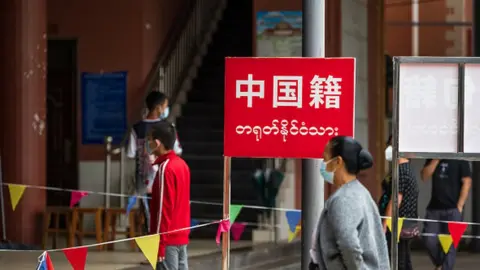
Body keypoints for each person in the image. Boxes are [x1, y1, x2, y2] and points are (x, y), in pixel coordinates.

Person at [309, 136, 389, 270]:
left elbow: (348, 244)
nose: (323, 163)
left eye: (325, 158)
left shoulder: (344, 198)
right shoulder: (360, 192)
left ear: (338, 161)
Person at [127, 91, 183, 235]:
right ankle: (162, 243)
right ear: (158, 107)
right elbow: (176, 150)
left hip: (143, 180)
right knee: (163, 213)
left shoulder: (136, 128)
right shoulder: (168, 127)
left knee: (147, 214)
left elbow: (131, 153)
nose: (166, 109)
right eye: (165, 106)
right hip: (165, 177)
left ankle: (149, 245)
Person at [146, 121, 190, 270]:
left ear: (157, 143)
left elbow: (163, 210)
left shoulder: (166, 168)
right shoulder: (182, 165)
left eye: (150, 139)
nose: (148, 143)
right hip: (181, 237)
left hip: (168, 240)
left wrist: (160, 243)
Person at [421, 158, 472, 270]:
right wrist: (435, 161)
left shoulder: (460, 159)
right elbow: (424, 176)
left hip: (453, 209)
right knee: (428, 239)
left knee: (451, 246)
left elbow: (467, 182)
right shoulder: (433, 156)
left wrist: (460, 206)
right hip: (434, 208)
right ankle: (440, 264)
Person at [379, 136, 418, 270]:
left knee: (397, 260)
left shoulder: (402, 171)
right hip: (403, 224)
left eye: (391, 145)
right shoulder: (404, 169)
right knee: (404, 259)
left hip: (398, 225)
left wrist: (385, 225)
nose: (388, 148)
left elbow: (395, 201)